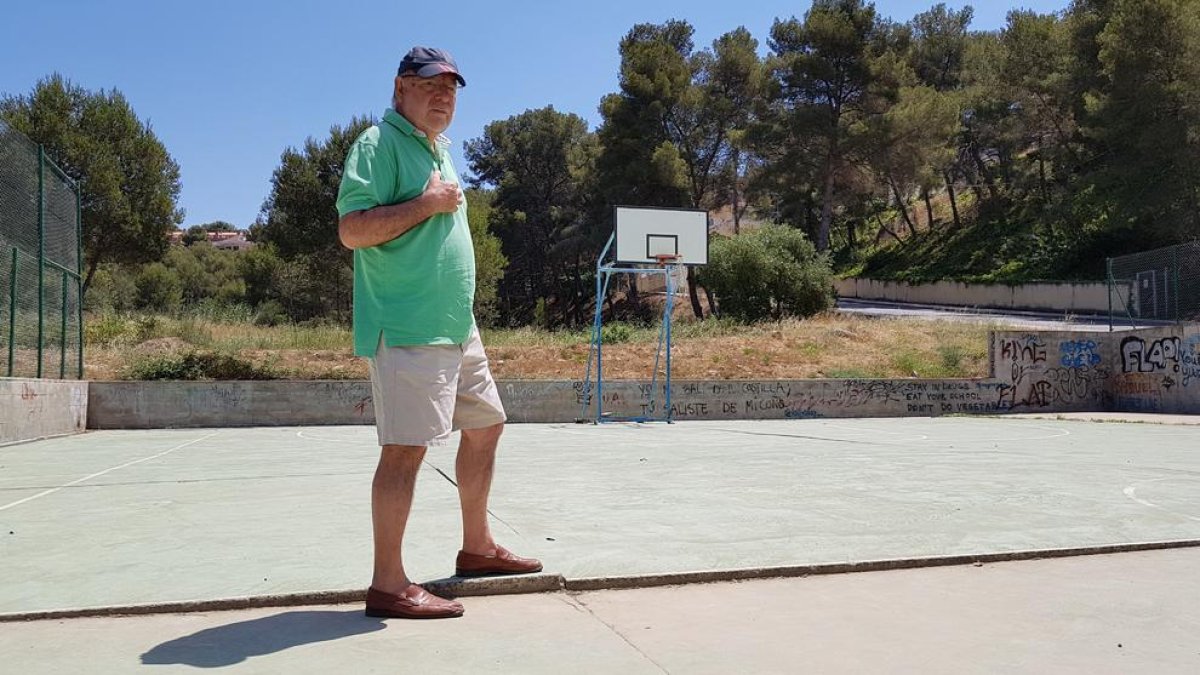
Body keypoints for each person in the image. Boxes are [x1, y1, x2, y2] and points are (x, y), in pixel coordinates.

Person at [336, 46, 541, 620]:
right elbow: (352, 230)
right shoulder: (377, 144)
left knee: (487, 426)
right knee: (405, 450)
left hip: (455, 326)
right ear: (401, 87)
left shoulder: (439, 151)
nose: (443, 97)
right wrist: (426, 204)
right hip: (406, 325)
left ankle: (477, 548)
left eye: (451, 88)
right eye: (430, 86)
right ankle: (388, 585)